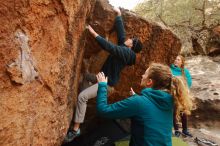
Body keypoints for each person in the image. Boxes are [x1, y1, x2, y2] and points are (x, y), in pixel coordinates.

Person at [64, 7, 143, 142]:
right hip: (101, 78)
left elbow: (109, 47)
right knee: (85, 77)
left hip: (106, 84)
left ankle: (75, 130)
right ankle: (80, 108)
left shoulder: (127, 53)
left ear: (132, 46)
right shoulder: (125, 49)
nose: (128, 38)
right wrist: (118, 15)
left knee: (82, 97)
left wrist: (94, 33)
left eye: (131, 39)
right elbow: (121, 33)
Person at [96, 63, 193, 146]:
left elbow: (103, 110)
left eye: (145, 74)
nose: (142, 75)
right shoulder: (169, 101)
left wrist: (102, 85)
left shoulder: (139, 102)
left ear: (149, 82)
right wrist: (136, 98)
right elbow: (151, 112)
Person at [170, 55, 193, 137]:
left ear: (182, 62)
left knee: (184, 112)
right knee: (174, 111)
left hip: (182, 94)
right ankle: (176, 130)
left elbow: (189, 82)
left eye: (178, 60)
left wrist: (184, 91)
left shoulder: (185, 71)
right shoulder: (170, 69)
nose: (176, 60)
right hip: (173, 94)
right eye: (175, 59)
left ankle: (185, 130)